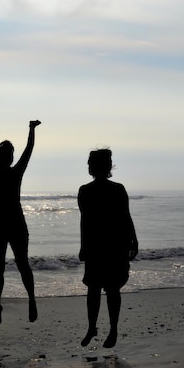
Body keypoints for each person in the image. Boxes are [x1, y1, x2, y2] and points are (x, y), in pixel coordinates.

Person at [0, 110, 41, 325]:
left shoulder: (6, 171)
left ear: (7, 158)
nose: (2, 157)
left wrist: (31, 131)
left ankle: (29, 299)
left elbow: (28, 151)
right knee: (6, 267)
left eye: (4, 154)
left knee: (17, 264)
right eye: (2, 154)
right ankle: (1, 304)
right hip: (4, 225)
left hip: (8, 225)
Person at [77, 148, 138, 348]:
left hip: (111, 245)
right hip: (106, 245)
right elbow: (85, 221)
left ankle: (110, 329)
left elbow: (125, 216)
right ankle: (96, 328)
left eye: (91, 164)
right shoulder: (87, 190)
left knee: (103, 289)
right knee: (100, 289)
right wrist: (83, 246)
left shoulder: (113, 189)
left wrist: (133, 240)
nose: (90, 167)